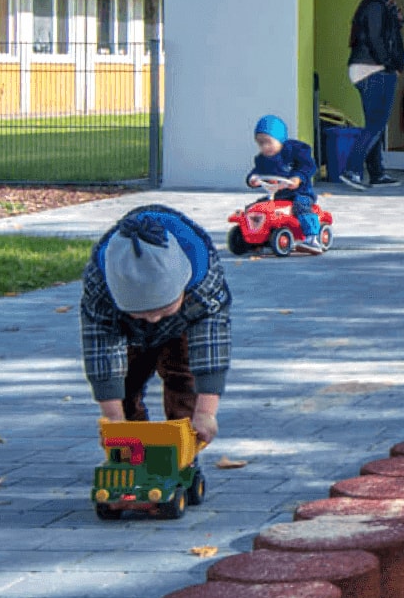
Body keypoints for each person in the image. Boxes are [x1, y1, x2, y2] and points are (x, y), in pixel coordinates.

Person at [80, 206, 229, 443]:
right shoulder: (100, 287)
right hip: (127, 329)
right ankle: (131, 447)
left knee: (183, 378)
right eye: (141, 312)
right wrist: (113, 418)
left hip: (183, 323)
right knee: (125, 381)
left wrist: (206, 413)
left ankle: (183, 446)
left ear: (182, 285)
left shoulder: (204, 284)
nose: (153, 319)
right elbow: (101, 351)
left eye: (163, 309)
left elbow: (211, 347)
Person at [344, 0, 404, 190]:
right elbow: (376, 38)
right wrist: (389, 64)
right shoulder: (377, 7)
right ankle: (352, 169)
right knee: (376, 124)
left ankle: (376, 172)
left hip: (366, 69)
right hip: (374, 70)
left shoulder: (372, 5)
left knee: (374, 124)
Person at [247, 114, 323, 255]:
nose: (265, 147)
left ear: (280, 139)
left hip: (300, 193)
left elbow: (308, 166)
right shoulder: (262, 159)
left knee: (300, 206)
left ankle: (312, 238)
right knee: (255, 208)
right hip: (279, 195)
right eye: (261, 143)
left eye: (268, 142)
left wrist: (297, 178)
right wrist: (253, 179)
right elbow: (257, 171)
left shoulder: (295, 151)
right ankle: (255, 237)